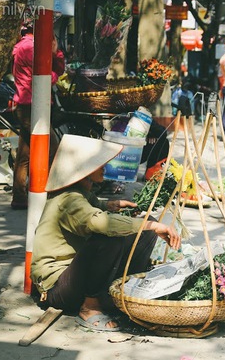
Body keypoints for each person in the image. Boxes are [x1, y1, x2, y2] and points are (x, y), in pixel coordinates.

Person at [31, 134, 180, 332]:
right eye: (98, 164)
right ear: (83, 170)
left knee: (145, 229)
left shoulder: (82, 194)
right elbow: (99, 223)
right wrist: (151, 226)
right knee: (109, 238)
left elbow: (93, 208)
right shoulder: (68, 199)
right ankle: (90, 307)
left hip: (75, 279)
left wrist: (110, 205)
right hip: (56, 289)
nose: (104, 167)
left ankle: (124, 291)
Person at [11, 22, 65, 209]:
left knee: (24, 154)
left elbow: (57, 69)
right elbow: (45, 76)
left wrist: (55, 51)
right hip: (32, 106)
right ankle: (51, 193)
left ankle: (19, 196)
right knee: (52, 148)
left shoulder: (26, 46)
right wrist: (54, 56)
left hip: (31, 105)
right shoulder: (29, 47)